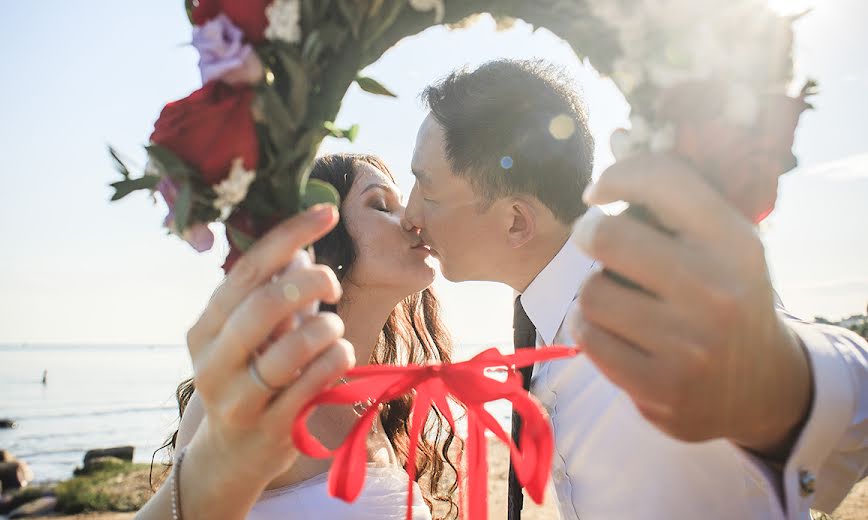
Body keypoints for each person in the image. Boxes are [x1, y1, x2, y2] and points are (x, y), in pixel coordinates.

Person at [401, 58, 868, 519]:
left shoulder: (659, 289)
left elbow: (855, 405)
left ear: (516, 221)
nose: (409, 215)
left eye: (427, 190)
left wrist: (790, 383)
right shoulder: (545, 330)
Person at [138, 153, 461, 520]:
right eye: (381, 204)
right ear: (322, 238)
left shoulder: (374, 405)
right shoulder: (257, 393)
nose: (411, 219)